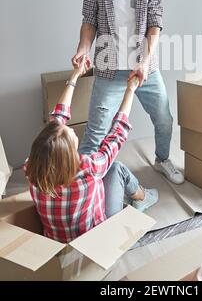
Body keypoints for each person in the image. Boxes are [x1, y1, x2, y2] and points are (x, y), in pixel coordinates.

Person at [72, 0, 184, 184]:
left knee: (164, 119)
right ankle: (84, 181)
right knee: (96, 130)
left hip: (143, 66)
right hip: (109, 66)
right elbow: (89, 20)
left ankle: (162, 160)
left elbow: (155, 25)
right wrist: (82, 49)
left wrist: (145, 63)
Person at [24, 57, 158, 243]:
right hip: (94, 239)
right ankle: (142, 197)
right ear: (68, 156)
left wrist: (75, 75)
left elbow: (57, 120)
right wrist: (130, 90)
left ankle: (139, 196)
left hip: (57, 242)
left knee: (109, 169)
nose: (71, 129)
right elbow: (117, 133)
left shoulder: (31, 168)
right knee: (116, 168)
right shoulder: (89, 168)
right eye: (71, 135)